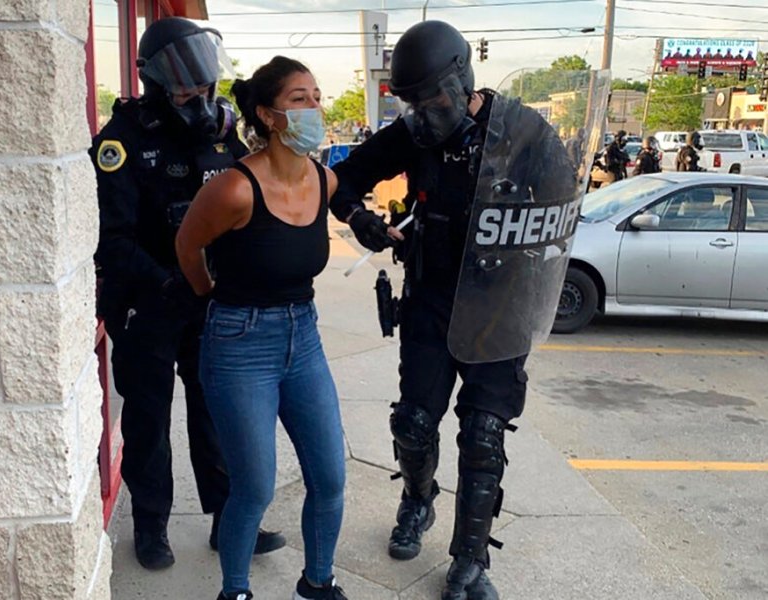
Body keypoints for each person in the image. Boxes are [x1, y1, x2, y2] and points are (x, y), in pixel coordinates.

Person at [331, 20, 574, 600]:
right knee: (413, 425)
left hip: (501, 307)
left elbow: (564, 215)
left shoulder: (525, 132)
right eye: (412, 102)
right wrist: (363, 221)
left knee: (485, 434)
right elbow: (341, 182)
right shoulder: (413, 134)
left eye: (434, 98)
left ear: (463, 78)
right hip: (431, 301)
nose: (425, 112)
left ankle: (471, 559)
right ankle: (418, 500)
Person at [90, 17, 285, 571]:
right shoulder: (121, 142)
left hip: (208, 305)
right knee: (149, 420)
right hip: (146, 305)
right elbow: (111, 240)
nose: (198, 97)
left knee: (219, 414)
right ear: (155, 83)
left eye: (204, 85)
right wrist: (169, 279)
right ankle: (151, 526)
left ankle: (230, 522)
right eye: (184, 87)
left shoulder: (222, 135)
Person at [176, 56, 348, 600]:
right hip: (239, 343)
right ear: (269, 115)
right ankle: (236, 591)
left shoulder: (326, 180)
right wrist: (212, 298)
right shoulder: (234, 188)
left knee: (330, 478)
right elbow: (187, 246)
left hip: (305, 337)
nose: (315, 108)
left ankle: (318, 582)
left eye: (317, 96)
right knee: (253, 487)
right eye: (300, 98)